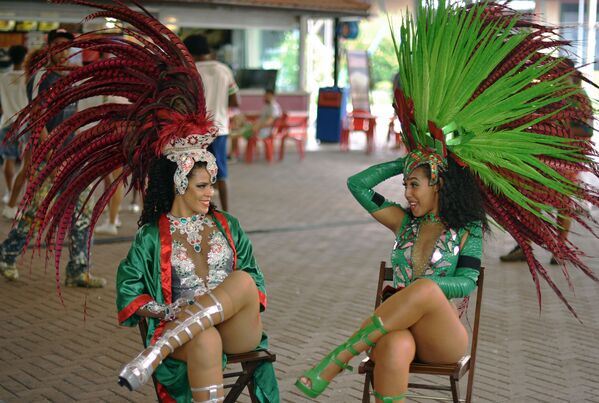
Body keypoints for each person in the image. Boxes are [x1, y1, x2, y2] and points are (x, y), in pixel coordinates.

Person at [295, 1, 599, 401]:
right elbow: (357, 185)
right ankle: (351, 359)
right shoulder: (405, 223)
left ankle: (336, 360)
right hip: (397, 327)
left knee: (425, 291)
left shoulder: (467, 227)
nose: (406, 194)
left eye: (415, 186)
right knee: (392, 347)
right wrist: (407, 161)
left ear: (439, 184)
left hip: (445, 336)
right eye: (405, 186)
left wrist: (427, 286)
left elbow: (467, 281)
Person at [5, 3, 279, 402]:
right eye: (202, 185)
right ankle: (173, 340)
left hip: (237, 327)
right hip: (192, 333)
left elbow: (255, 282)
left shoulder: (228, 226)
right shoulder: (153, 236)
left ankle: (155, 352)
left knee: (242, 281)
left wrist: (185, 320)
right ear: (179, 183)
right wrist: (169, 314)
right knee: (202, 341)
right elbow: (129, 291)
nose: (209, 193)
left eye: (211, 184)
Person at [0, 29, 106, 287]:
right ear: (48, 47)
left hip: (71, 155)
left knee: (83, 210)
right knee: (36, 211)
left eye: (67, 46)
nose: (63, 50)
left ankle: (78, 270)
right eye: (58, 45)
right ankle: (7, 255)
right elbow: (38, 119)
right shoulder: (41, 77)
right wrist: (53, 152)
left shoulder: (68, 77)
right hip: (49, 158)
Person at [183, 33, 239, 212]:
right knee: (221, 174)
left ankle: (198, 211)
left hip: (196, 132)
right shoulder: (224, 70)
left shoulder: (191, 73)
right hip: (220, 130)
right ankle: (225, 213)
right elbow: (235, 101)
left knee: (195, 174)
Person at [0, 45, 28, 204]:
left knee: (8, 159)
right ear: (24, 57)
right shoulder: (28, 77)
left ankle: (9, 192)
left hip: (6, 122)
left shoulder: (2, 77)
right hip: (25, 123)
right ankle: (20, 195)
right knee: (26, 163)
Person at [229, 89, 282, 159]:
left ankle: (232, 155)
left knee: (234, 134)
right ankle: (232, 152)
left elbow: (269, 122)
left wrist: (257, 126)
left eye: (266, 96)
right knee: (238, 118)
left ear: (271, 96)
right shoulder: (267, 106)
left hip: (262, 131)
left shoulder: (273, 107)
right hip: (257, 127)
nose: (264, 97)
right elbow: (262, 116)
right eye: (265, 96)